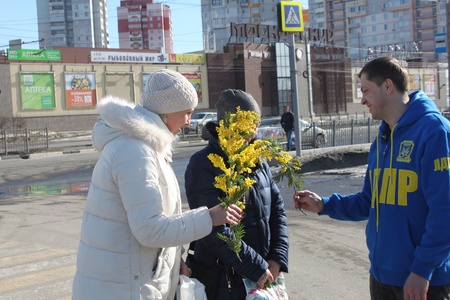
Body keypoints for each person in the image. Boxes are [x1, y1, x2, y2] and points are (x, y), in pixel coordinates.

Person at [72, 69, 243, 300]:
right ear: (168, 110)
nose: (188, 121)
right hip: (122, 288)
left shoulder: (143, 147)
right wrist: (209, 217)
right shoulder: (135, 151)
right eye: (187, 113)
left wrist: (173, 261)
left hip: (126, 280)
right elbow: (150, 230)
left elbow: (149, 222)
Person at [294, 57, 450, 300]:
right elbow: (369, 200)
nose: (362, 99)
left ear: (388, 86)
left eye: (366, 90)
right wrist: (324, 204)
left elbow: (445, 211)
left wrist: (422, 270)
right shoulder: (382, 138)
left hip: (422, 281)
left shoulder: (434, 131)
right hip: (381, 276)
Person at [185, 89, 289, 300]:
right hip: (225, 282)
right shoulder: (203, 164)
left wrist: (277, 257)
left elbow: (277, 209)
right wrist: (256, 266)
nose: (254, 134)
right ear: (230, 124)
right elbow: (212, 230)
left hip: (263, 277)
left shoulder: (258, 159)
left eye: (256, 126)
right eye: (248, 126)